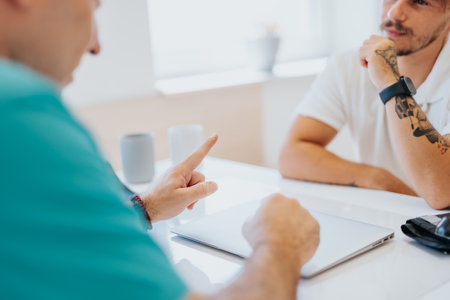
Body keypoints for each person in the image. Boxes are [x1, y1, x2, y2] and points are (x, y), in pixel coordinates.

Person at [0, 0, 320, 299]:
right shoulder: (15, 107)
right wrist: (279, 245)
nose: (95, 45)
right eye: (92, 5)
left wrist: (146, 207)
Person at [279, 0, 450, 209]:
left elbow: (442, 190)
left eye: (420, 2)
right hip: (384, 221)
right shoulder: (348, 65)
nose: (395, 12)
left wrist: (390, 82)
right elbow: (291, 155)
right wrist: (377, 179)